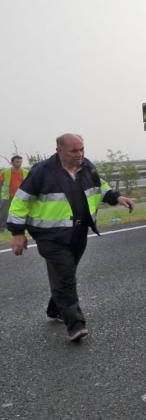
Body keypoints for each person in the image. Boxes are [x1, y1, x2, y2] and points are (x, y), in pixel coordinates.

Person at [8, 134, 135, 342]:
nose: (80, 154)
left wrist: (116, 196)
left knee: (64, 275)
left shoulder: (87, 166)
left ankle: (55, 309)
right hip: (50, 235)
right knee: (66, 275)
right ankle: (76, 325)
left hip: (78, 232)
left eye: (82, 149)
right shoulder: (42, 171)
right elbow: (20, 202)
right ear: (59, 150)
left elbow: (99, 185)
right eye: (74, 151)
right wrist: (17, 232)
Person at [1, 154, 29, 231]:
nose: (19, 163)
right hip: (7, 196)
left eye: (20, 162)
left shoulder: (25, 172)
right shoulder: (6, 172)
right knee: (4, 212)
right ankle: (3, 227)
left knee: (21, 211)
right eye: (17, 162)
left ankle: (22, 226)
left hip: (20, 196)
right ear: (12, 162)